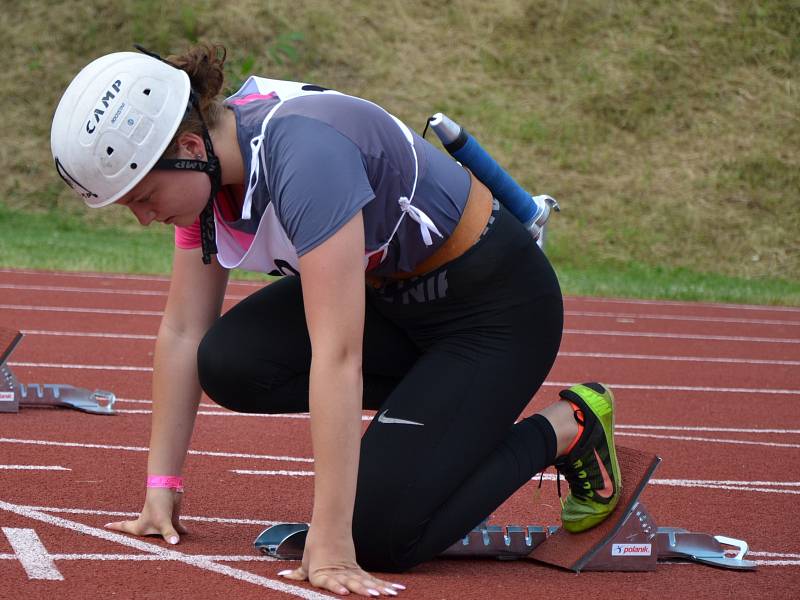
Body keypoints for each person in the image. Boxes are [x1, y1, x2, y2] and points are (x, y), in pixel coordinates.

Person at [50, 43, 623, 597]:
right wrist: (161, 490)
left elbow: (339, 356)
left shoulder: (304, 156)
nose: (146, 217)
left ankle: (569, 425)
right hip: (395, 302)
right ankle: (448, 411)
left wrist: (330, 543)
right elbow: (183, 332)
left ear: (191, 145)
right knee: (228, 363)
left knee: (379, 537)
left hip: (492, 312)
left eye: (144, 198)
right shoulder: (203, 175)